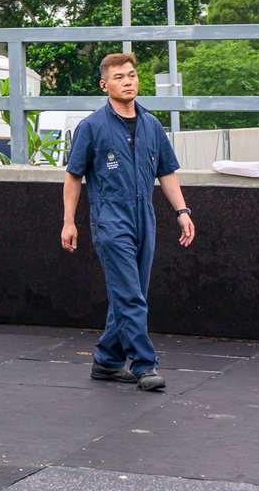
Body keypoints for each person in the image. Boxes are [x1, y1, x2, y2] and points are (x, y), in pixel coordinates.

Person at [61, 52, 195, 392]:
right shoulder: (91, 127)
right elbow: (73, 176)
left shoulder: (151, 125)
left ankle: (107, 361)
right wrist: (69, 222)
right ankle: (144, 364)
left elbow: (167, 172)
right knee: (130, 295)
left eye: (132, 75)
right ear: (105, 84)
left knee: (131, 293)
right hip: (110, 218)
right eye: (120, 77)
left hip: (144, 217)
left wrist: (182, 212)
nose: (128, 81)